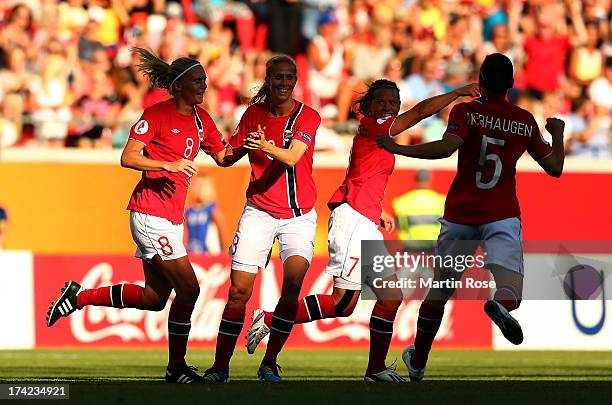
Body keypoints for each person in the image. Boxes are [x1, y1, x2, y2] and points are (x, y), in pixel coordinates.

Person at [245, 78, 480, 382]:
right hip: (353, 219)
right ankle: (270, 319)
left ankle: (375, 369)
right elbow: (421, 111)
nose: (388, 107)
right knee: (344, 302)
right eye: (381, 101)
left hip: (362, 216)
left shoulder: (373, 128)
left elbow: (361, 173)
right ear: (370, 106)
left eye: (393, 102)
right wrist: (459, 91)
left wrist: (376, 210)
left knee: (388, 297)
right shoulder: (379, 125)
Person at [377, 53, 565, 381]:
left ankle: (418, 362)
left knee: (440, 288)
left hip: (461, 213)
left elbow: (447, 147)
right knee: (510, 286)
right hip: (502, 212)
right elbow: (555, 168)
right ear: (511, 83)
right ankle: (500, 306)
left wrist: (399, 148)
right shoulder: (524, 120)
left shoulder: (466, 110)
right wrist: (558, 133)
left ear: (481, 79)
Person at [46, 47, 228, 384]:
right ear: (177, 86)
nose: (204, 86)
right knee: (189, 290)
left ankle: (77, 297)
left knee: (154, 299)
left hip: (172, 218)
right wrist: (166, 164)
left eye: (204, 81)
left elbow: (224, 157)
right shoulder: (156, 115)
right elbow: (128, 157)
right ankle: (176, 369)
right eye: (197, 81)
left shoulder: (203, 120)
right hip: (149, 213)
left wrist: (256, 143)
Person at [202, 55, 321, 384]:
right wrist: (204, 137)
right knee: (238, 292)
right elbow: (228, 156)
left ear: (295, 80)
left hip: (298, 215)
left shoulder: (307, 116)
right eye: (278, 77)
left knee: (293, 285)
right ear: (268, 80)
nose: (284, 83)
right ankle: (220, 368)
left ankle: (270, 361)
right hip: (259, 210)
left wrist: (267, 146)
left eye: (289, 77)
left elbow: (293, 156)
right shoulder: (253, 114)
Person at [392, 169, 445, 252]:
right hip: (434, 247)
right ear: (430, 179)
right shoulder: (441, 201)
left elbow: (398, 227)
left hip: (411, 247)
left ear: (416, 179)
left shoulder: (402, 202)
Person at [185, 175, 227, 254]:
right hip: (192, 253)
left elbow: (222, 233)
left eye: (198, 186)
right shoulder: (189, 210)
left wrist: (224, 255)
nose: (194, 189)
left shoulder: (212, 209)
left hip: (210, 254)